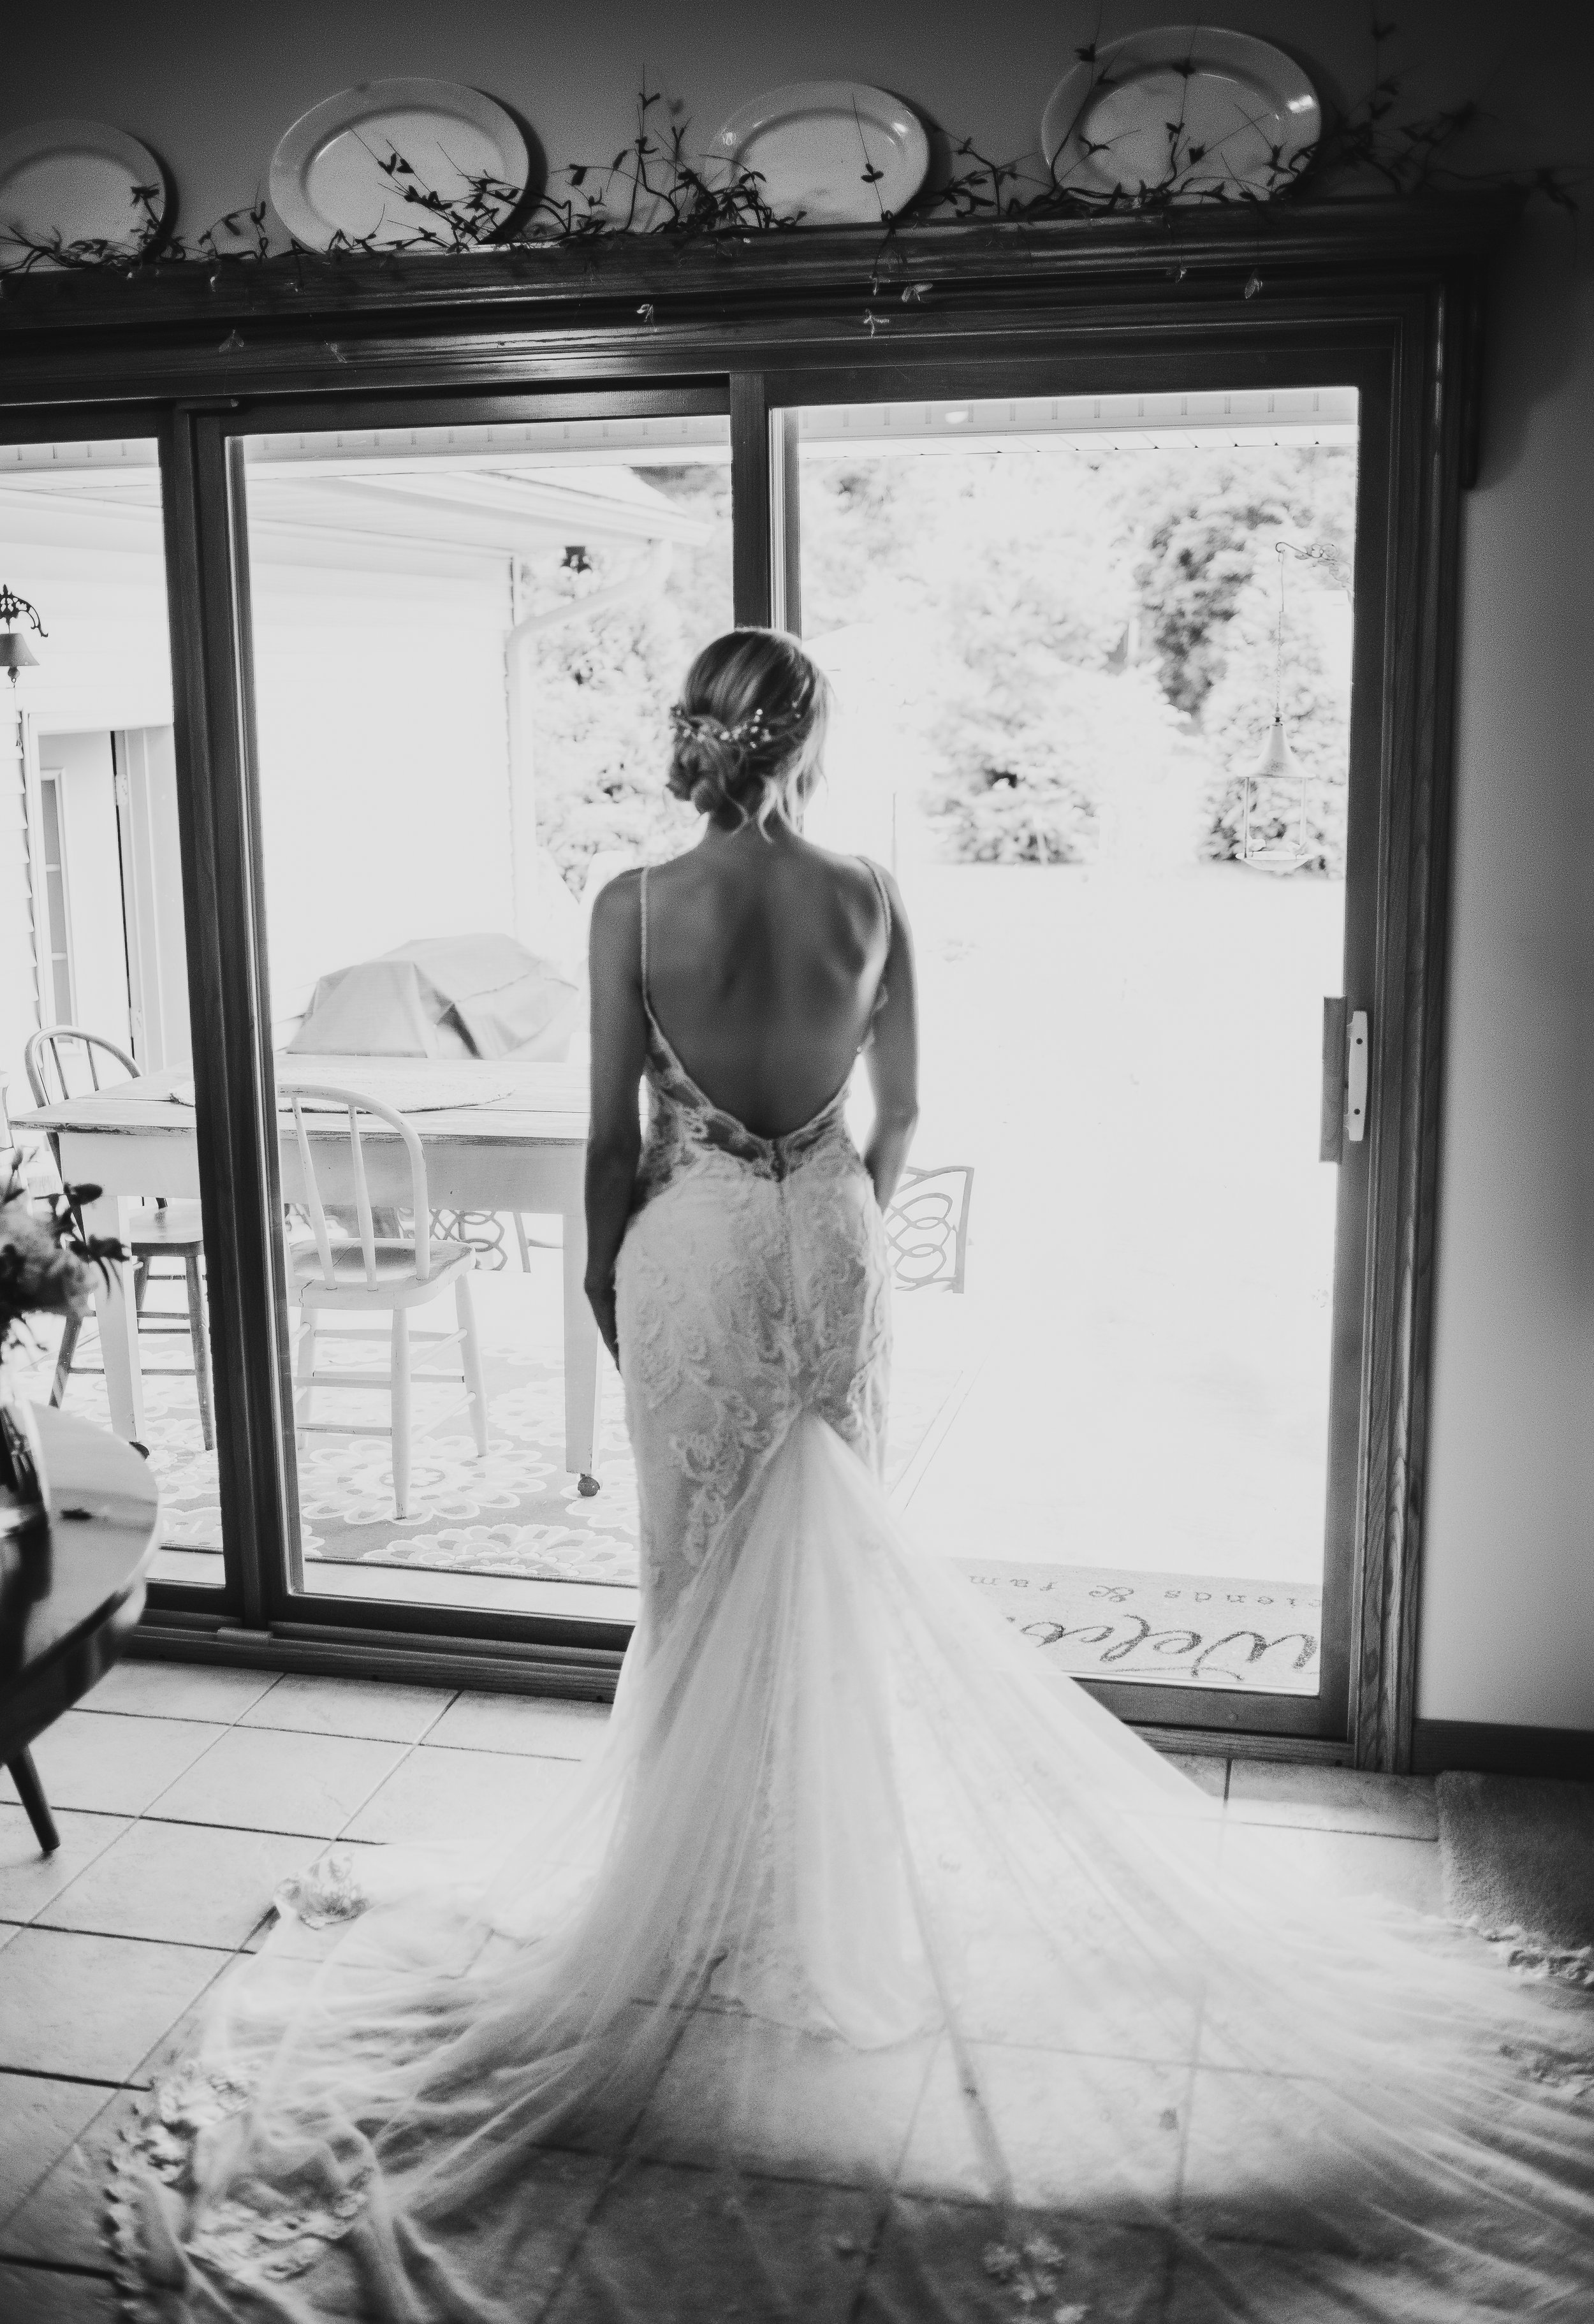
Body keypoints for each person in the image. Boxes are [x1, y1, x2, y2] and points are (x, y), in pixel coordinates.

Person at [116, 631, 1594, 2323]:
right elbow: (905, 1114)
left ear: (693, 737)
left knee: (696, 1566)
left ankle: (701, 1900)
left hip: (689, 1246)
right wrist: (827, 1202)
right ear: (812, 742)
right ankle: (818, 1874)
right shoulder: (874, 891)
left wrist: (611, 1280)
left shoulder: (630, 905)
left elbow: (609, 1139)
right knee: (828, 1552)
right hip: (828, 1240)